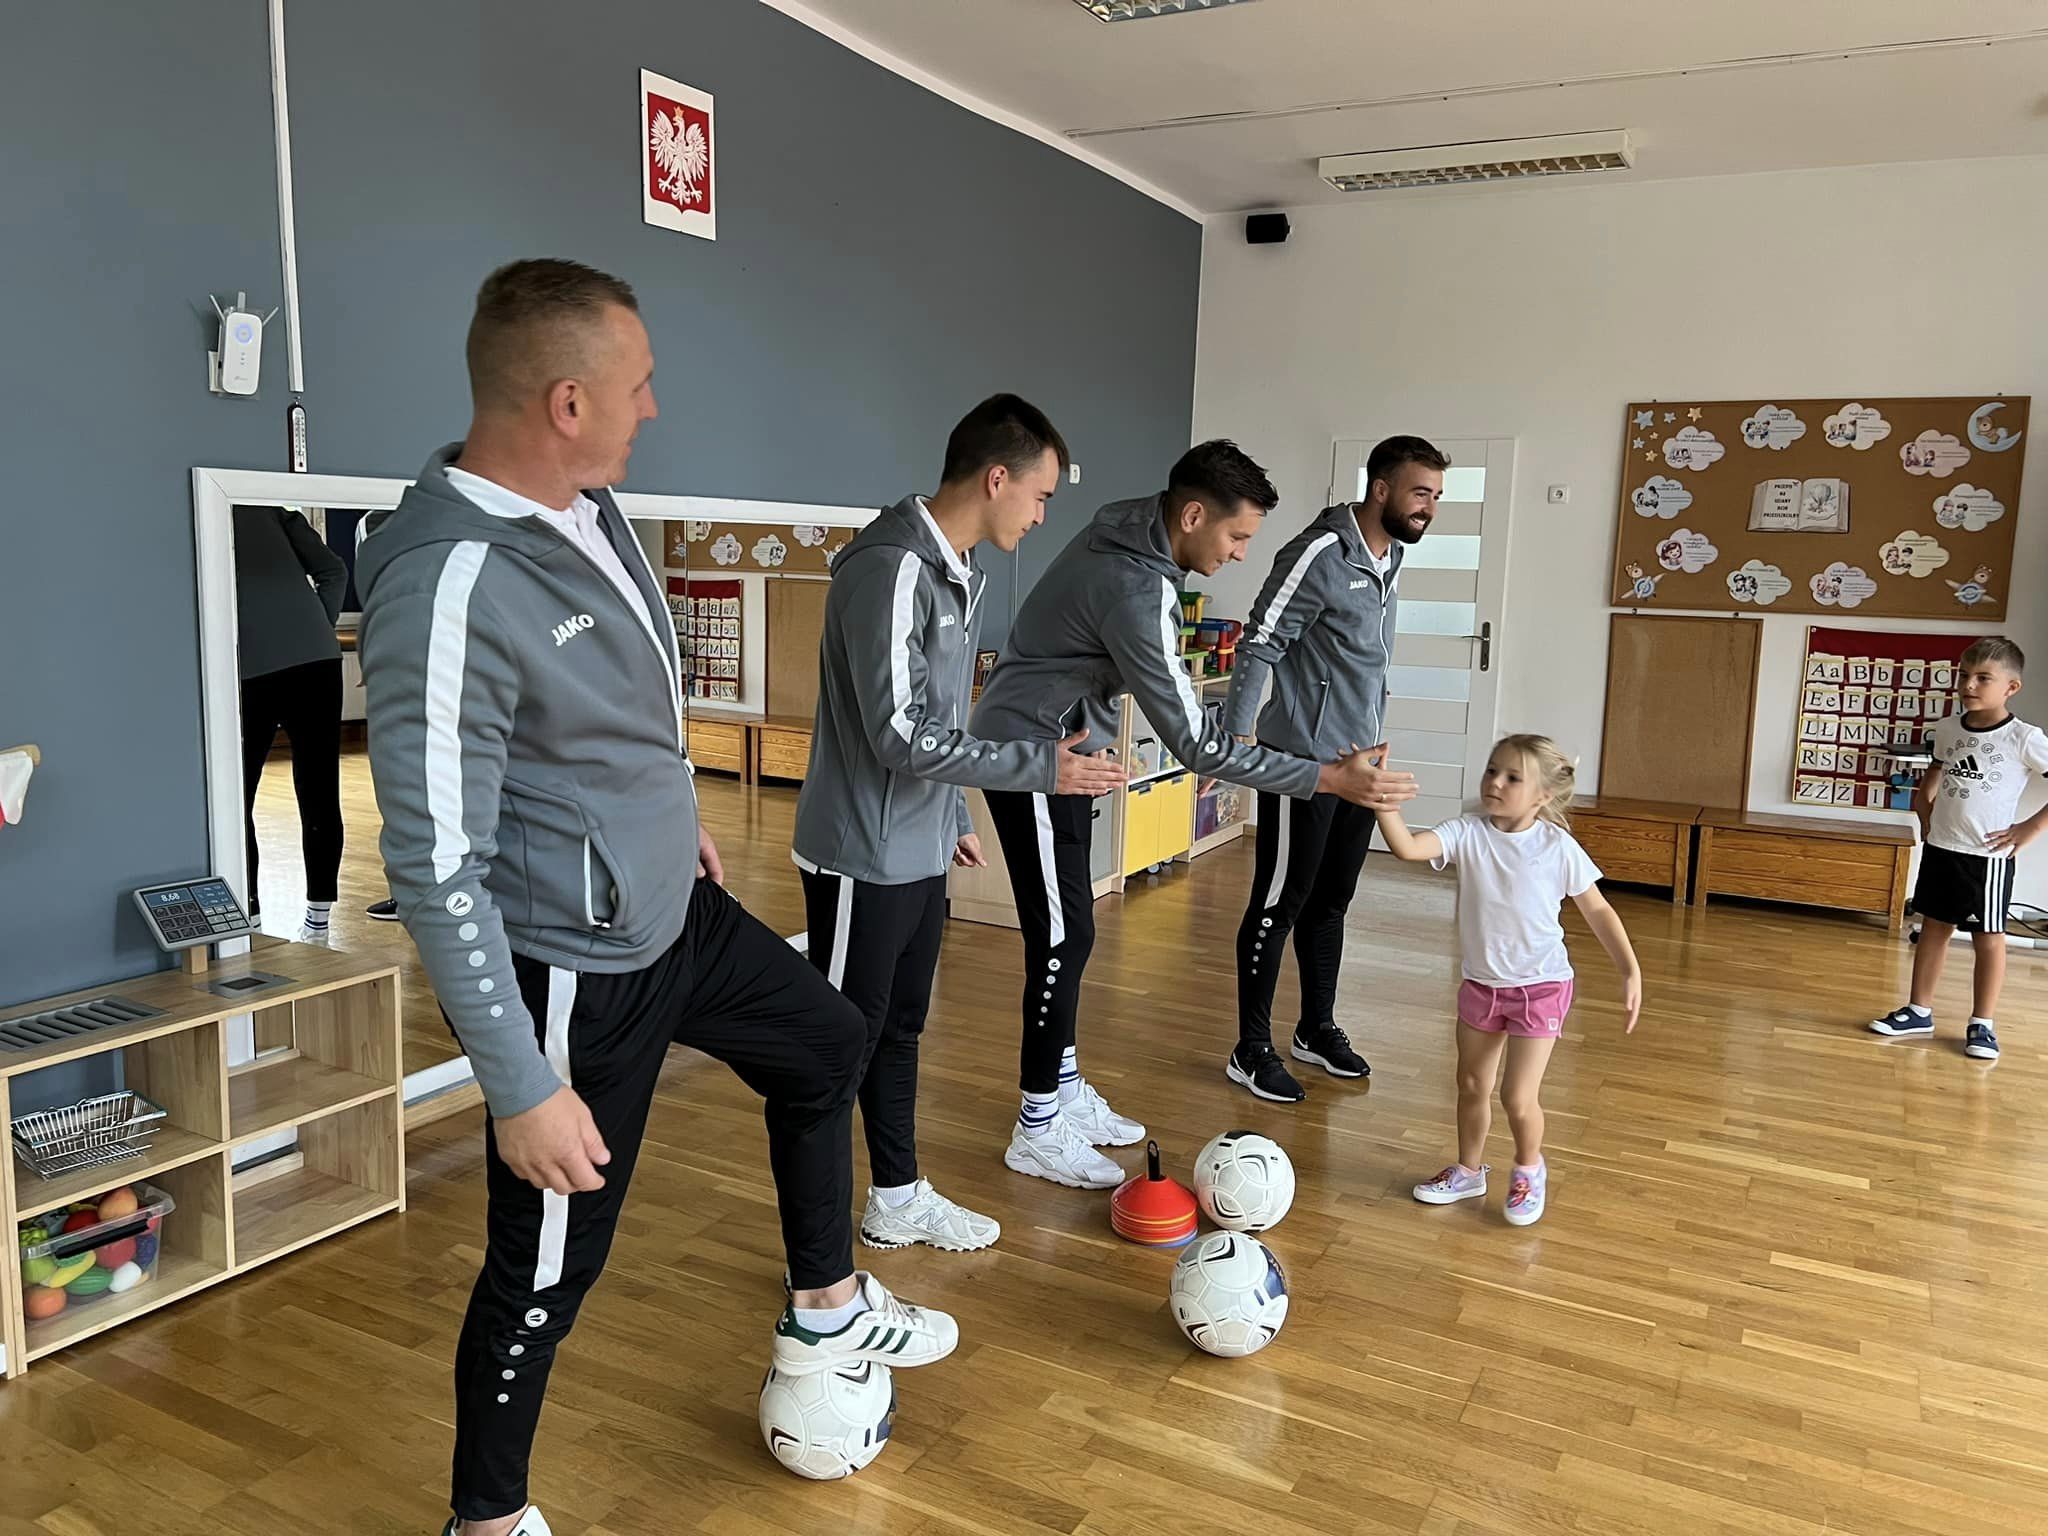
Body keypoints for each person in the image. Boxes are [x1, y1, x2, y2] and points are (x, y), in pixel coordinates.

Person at [356, 259, 957, 1536]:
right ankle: (485, 1520)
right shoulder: (448, 582)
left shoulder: (590, 509)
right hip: (572, 969)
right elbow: (434, 860)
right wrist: (517, 1084)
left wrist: (672, 822)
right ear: (566, 401)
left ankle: (826, 1311)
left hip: (670, 912)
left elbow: (618, 718)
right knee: (547, 1266)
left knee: (826, 1043)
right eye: (637, 386)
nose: (653, 407)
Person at [968, 439, 1417, 1190]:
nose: (1241, 554)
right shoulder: (1136, 587)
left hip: (1064, 748)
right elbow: (1199, 747)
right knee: (1062, 936)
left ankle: (1064, 1090)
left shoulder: (1132, 534)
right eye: (1237, 536)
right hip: (1029, 753)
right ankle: (1037, 1124)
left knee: (1073, 931)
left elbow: (1073, 651)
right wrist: (1324, 778)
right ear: (1194, 515)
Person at [793, 394, 1126, 1251]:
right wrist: (1040, 767)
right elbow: (898, 733)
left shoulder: (956, 570)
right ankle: (820, 1261)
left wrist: (949, 813)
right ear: (997, 478)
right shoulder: (893, 569)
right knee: (839, 1051)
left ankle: (897, 1196)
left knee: (900, 1032)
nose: (1042, 515)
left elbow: (936, 713)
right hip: (860, 855)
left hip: (916, 847)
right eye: (1040, 495)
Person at [1220, 435, 1447, 1102]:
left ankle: (1315, 1028)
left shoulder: (1390, 554)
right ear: (1380, 488)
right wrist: (1237, 741)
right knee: (1278, 903)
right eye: (1420, 493)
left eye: (1436, 496)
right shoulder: (1318, 552)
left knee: (1332, 901)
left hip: (1361, 762)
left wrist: (1371, 739)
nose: (1429, 508)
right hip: (1302, 762)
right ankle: (1250, 1049)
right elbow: (1260, 641)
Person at [1372, 735, 1641, 1226]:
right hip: (1481, 985)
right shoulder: (1467, 832)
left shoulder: (1557, 847)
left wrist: (1629, 968)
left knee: (1517, 1097)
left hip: (1541, 988)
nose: (1495, 782)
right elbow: (1407, 847)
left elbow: (1599, 910)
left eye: (1513, 777)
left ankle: (1529, 1168)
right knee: (1472, 1083)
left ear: (1542, 796)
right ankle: (1468, 1171)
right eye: (1492, 770)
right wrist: (1382, 801)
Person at [1869, 637, 2048, 1062]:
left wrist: (2031, 827)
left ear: (2011, 687)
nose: (1969, 685)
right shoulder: (1948, 728)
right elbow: (1937, 768)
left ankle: (1982, 1023)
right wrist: (1923, 804)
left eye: (1983, 678)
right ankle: (1918, 1011)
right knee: (1933, 927)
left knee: (1989, 937)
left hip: (1986, 857)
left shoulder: (2024, 738)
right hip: (1942, 848)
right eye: (1964, 675)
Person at [233, 504, 348, 944]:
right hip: (316, 662)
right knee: (320, 791)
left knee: (235, 800)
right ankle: (318, 923)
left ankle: (251, 922)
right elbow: (334, 571)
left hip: (246, 667)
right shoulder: (270, 508)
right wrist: (316, 624)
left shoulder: (191, 506)